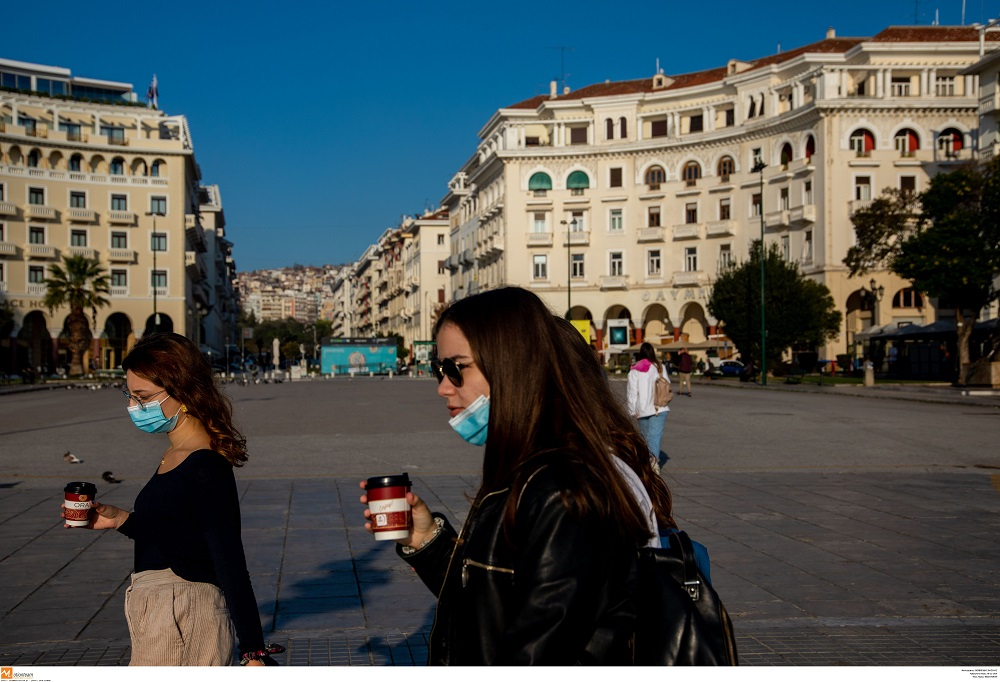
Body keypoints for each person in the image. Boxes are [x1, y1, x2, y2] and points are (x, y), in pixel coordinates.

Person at [360, 287, 674, 665]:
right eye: (438, 370)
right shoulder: (531, 472)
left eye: (456, 368)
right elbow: (494, 602)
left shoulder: (563, 491)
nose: (443, 387)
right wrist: (428, 539)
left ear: (512, 365)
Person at [63, 333, 275, 666]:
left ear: (184, 391)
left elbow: (228, 560)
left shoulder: (205, 464)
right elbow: (179, 535)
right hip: (164, 615)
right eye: (129, 395)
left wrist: (253, 651)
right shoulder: (174, 453)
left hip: (184, 616)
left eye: (142, 397)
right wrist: (120, 520)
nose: (133, 407)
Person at [627, 342, 670, 470]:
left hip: (643, 410)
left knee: (645, 438)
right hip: (660, 407)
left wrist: (632, 410)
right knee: (655, 435)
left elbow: (632, 392)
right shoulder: (660, 367)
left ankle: (649, 462)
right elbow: (666, 383)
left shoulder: (635, 369)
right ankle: (654, 462)